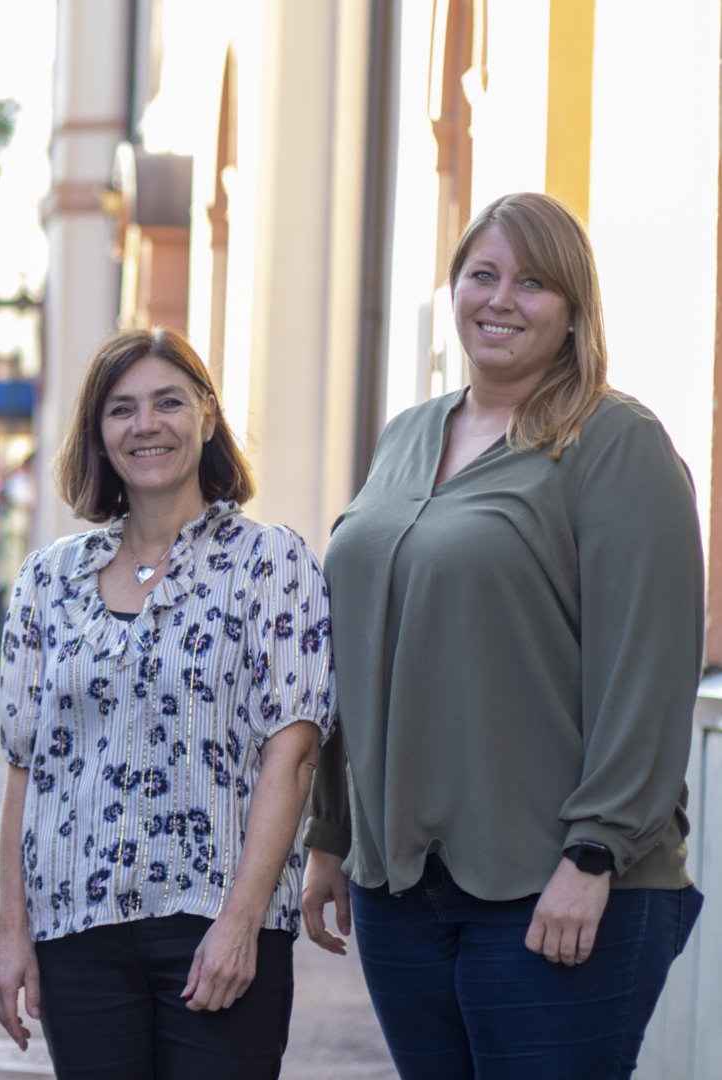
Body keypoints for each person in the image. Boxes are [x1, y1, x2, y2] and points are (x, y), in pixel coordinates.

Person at [300, 192, 704, 1080]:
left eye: (532, 283)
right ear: (454, 291)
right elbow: (355, 649)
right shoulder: (407, 435)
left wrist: (594, 852)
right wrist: (330, 835)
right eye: (483, 275)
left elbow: (648, 667)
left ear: (572, 312)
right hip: (401, 890)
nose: (501, 300)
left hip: (556, 882)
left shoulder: (614, 443)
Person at [0, 327, 335, 1079]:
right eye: (121, 409)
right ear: (98, 434)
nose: (146, 425)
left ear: (207, 416)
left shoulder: (272, 561)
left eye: (168, 402)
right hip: (75, 927)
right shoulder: (48, 581)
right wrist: (11, 928)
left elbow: (295, 752)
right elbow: (25, 767)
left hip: (215, 922)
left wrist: (241, 923)